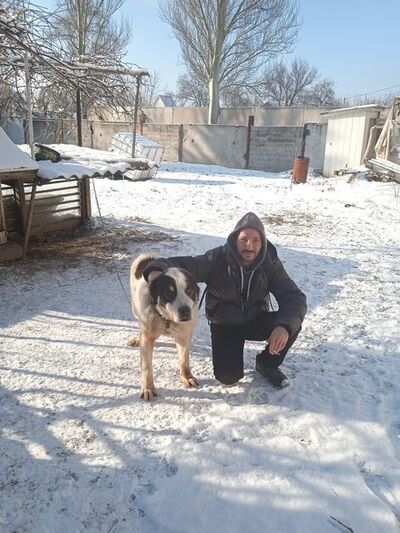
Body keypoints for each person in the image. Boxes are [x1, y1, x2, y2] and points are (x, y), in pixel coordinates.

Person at [143, 212, 307, 389]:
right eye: (244, 239)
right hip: (225, 323)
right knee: (228, 377)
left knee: (292, 323)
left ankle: (266, 364)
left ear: (263, 243)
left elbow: (294, 298)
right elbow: (184, 264)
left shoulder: (269, 263)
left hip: (256, 319)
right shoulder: (217, 259)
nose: (249, 246)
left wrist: (284, 327)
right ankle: (232, 354)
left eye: (256, 240)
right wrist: (156, 269)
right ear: (235, 240)